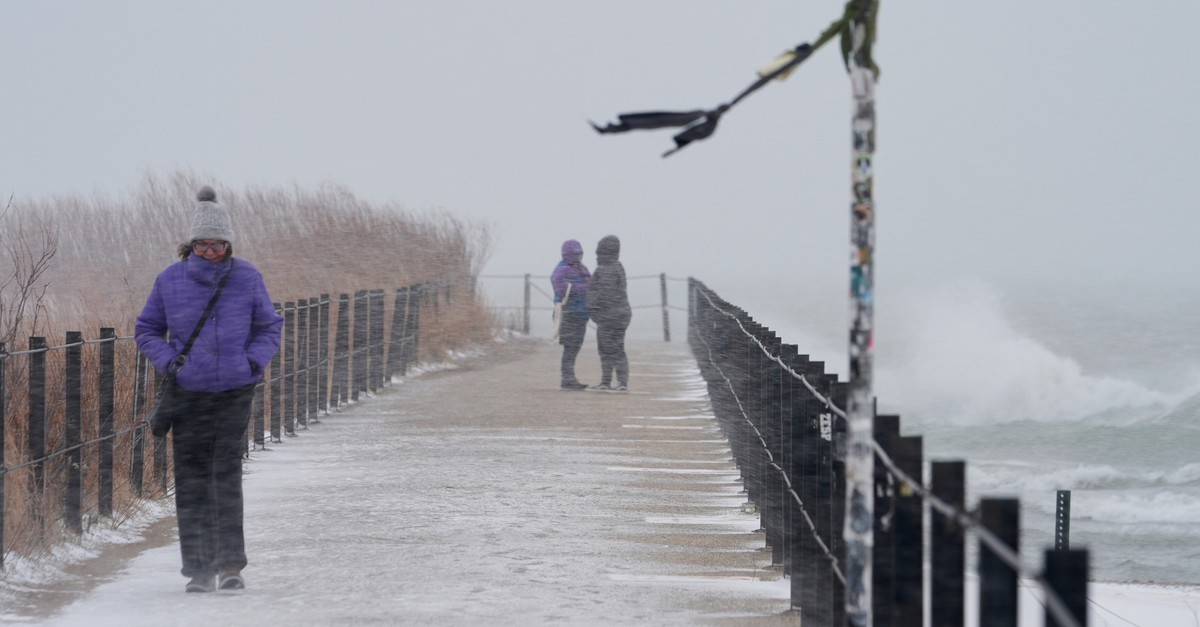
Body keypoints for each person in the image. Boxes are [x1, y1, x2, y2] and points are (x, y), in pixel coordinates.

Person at [135, 186, 284, 593]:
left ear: (228, 244)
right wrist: (170, 363)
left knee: (225, 477)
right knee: (190, 480)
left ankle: (230, 566)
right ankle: (198, 570)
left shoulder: (247, 277)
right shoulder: (169, 280)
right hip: (188, 394)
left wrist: (251, 363)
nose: (209, 251)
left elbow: (270, 325)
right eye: (202, 244)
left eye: (217, 244)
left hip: (234, 392)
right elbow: (146, 329)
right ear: (190, 244)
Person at [587, 235, 631, 391]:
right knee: (617, 348)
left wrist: (592, 308)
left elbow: (603, 293)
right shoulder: (618, 266)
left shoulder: (605, 269)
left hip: (609, 316)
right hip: (620, 314)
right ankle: (621, 382)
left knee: (607, 349)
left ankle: (607, 381)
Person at [551, 239, 590, 390]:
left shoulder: (581, 268)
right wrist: (583, 288)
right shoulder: (562, 269)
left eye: (580, 254)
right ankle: (567, 378)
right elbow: (560, 287)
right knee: (570, 346)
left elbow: (590, 282)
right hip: (569, 313)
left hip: (580, 313)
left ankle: (569, 377)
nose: (578, 257)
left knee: (575, 345)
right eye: (576, 254)